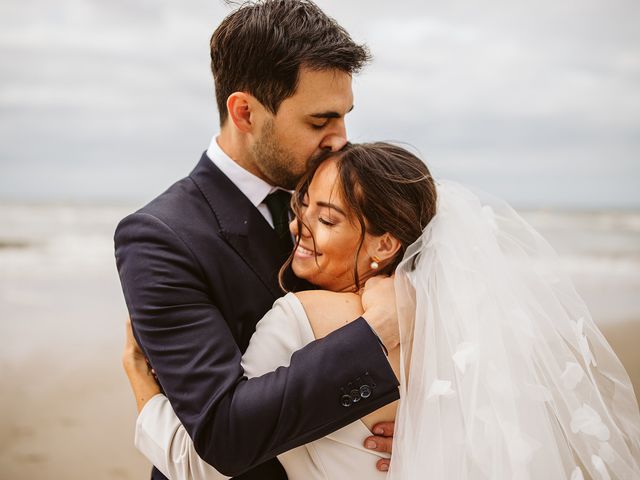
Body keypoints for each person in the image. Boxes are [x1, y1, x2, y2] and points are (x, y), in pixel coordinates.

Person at [124, 142, 640, 479]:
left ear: (385, 244)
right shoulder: (453, 329)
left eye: (326, 218)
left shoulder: (302, 317)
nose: (299, 225)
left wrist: (143, 390)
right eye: (302, 204)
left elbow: (205, 462)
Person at [115, 2, 399, 480]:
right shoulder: (160, 238)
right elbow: (226, 434)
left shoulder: (358, 204)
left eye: (345, 117)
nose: (341, 140)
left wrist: (420, 419)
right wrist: (377, 335)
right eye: (319, 121)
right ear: (244, 112)